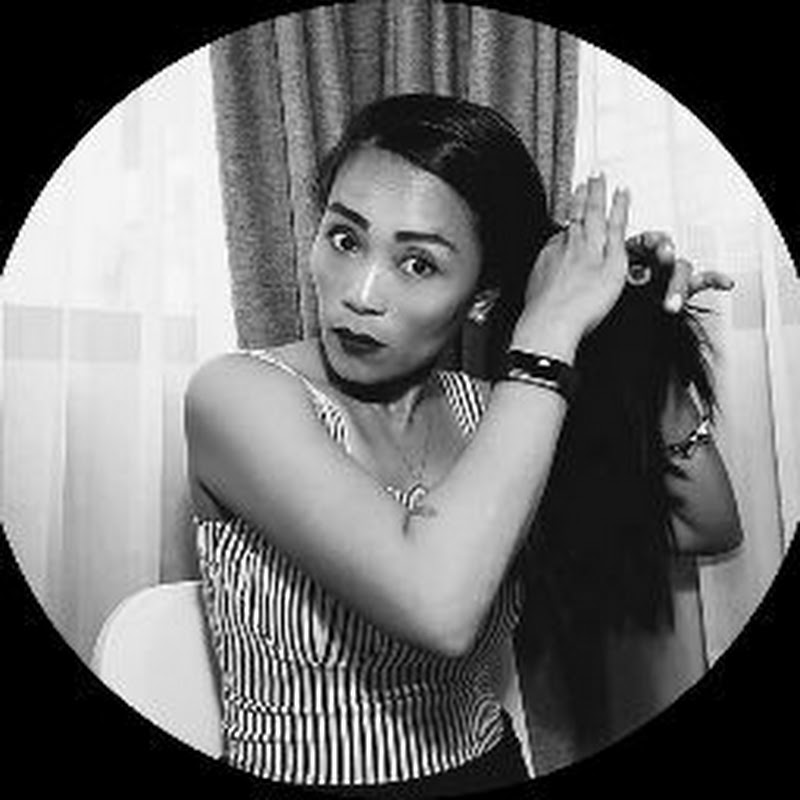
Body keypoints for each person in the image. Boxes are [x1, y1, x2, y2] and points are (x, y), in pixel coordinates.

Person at [184, 94, 741, 796]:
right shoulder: (238, 396)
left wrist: (640, 335)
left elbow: (704, 522)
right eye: (345, 239)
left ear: (481, 297)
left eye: (418, 263)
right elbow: (438, 607)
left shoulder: (495, 414)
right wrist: (549, 332)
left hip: (487, 767)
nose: (361, 293)